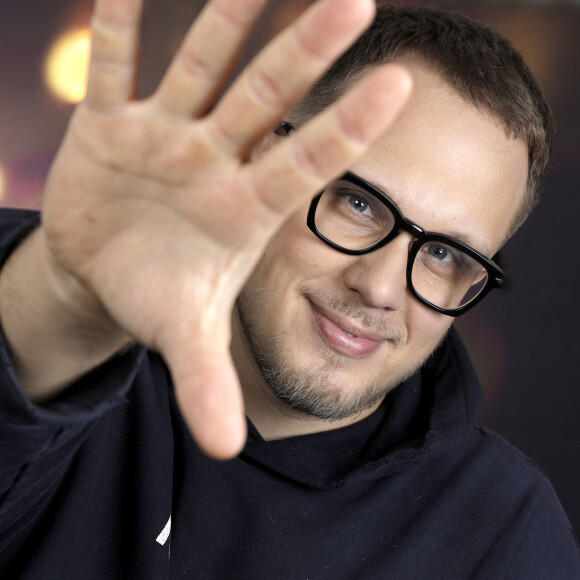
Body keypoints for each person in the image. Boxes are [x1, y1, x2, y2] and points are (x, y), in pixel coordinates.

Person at [0, 0, 578, 577]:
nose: (378, 287)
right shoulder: (50, 304)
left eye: (446, 254)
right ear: (264, 154)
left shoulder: (506, 534)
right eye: (359, 203)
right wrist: (64, 303)